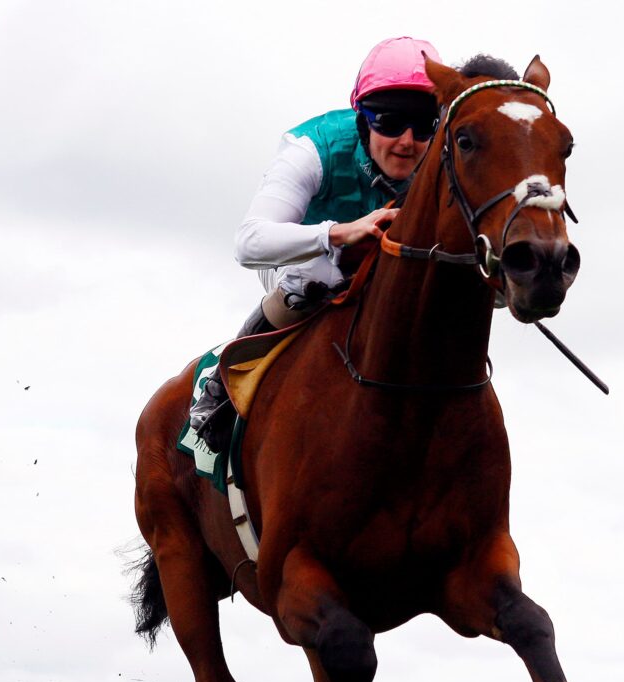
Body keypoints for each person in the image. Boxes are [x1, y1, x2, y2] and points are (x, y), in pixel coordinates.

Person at [189, 36, 442, 447]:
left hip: (387, 265)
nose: (407, 141)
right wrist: (339, 232)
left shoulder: (443, 159)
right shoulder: (311, 148)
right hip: (301, 257)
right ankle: (219, 388)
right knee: (315, 276)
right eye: (390, 122)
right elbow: (249, 242)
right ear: (362, 118)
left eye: (423, 123)